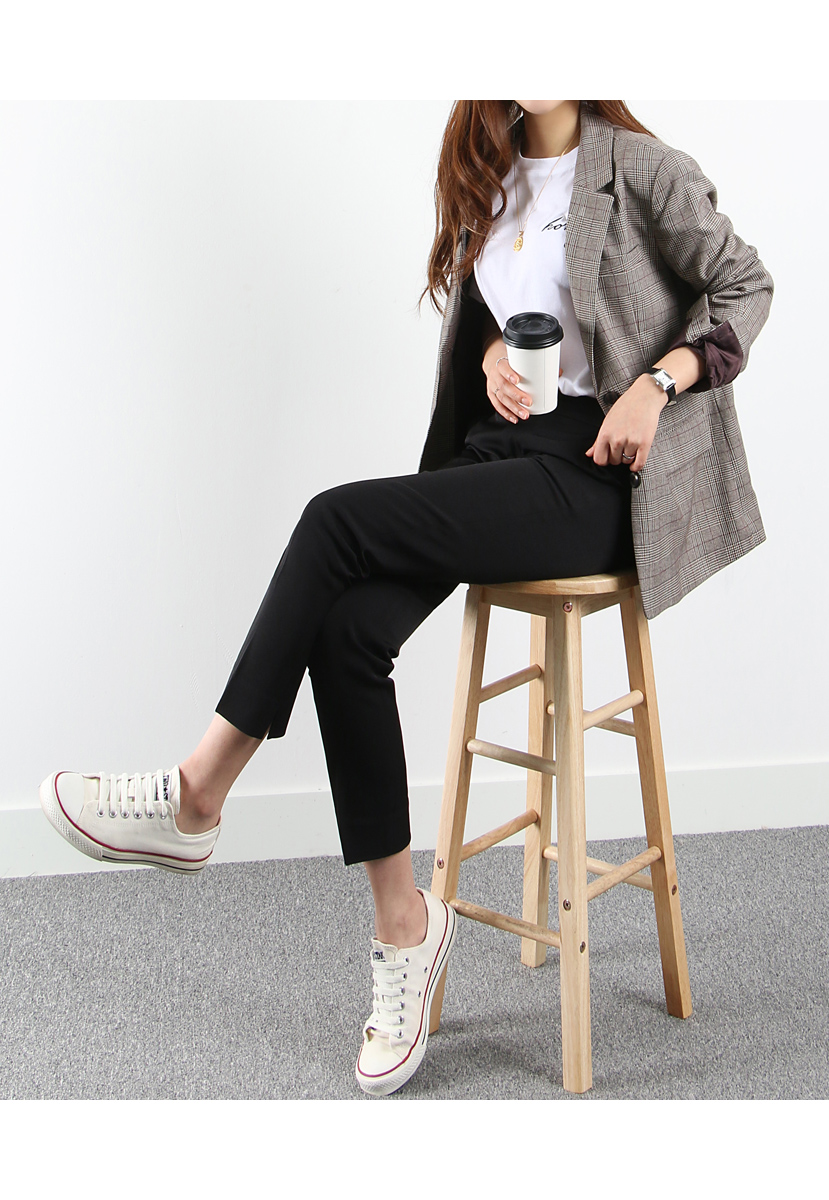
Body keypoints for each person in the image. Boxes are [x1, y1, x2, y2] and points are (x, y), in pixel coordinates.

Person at [39, 100, 774, 1097]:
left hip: (599, 475)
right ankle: (405, 925)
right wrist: (491, 356)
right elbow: (503, 315)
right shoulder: (487, 168)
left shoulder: (638, 166)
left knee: (331, 521)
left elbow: (744, 283)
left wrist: (659, 382)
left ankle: (198, 791)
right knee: (347, 632)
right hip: (500, 455)